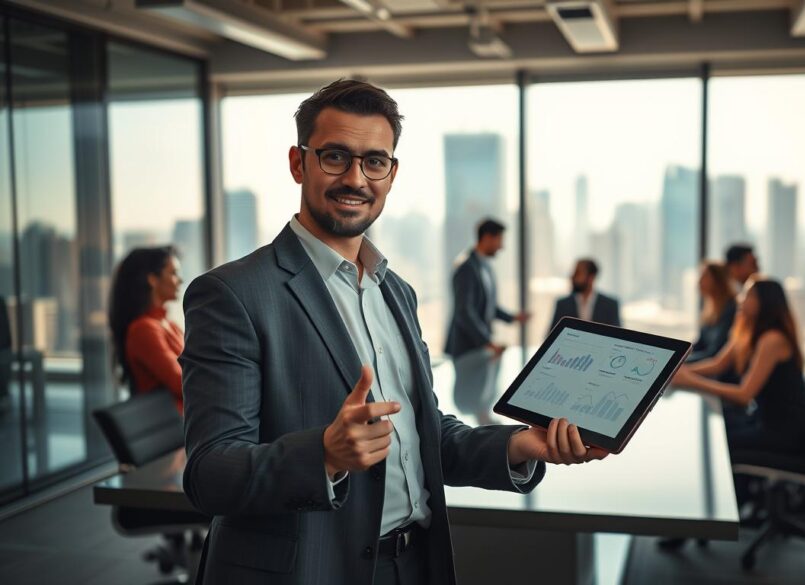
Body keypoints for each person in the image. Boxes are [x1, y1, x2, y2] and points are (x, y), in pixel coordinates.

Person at [180, 79, 609, 585]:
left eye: (374, 161)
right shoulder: (233, 293)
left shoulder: (395, 292)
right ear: (299, 163)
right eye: (335, 157)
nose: (356, 178)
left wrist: (520, 445)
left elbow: (425, 436)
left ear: (391, 172)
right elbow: (210, 474)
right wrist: (324, 454)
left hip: (414, 563)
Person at [671, 278, 805, 455]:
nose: (740, 299)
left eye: (748, 295)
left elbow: (744, 395)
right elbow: (718, 364)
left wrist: (691, 381)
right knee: (707, 430)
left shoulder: (773, 340)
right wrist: (676, 372)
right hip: (759, 417)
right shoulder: (748, 329)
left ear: (765, 302)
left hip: (782, 429)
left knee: (713, 442)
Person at [444, 218, 529, 425]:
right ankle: (476, 430)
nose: (502, 246)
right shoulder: (466, 267)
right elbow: (465, 312)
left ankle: (482, 421)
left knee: (483, 395)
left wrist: (512, 318)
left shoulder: (485, 267)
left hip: (479, 347)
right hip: (467, 349)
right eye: (500, 239)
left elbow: (489, 305)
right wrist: (487, 342)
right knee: (470, 400)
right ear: (488, 238)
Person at [108, 246, 185, 413]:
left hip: (188, 422)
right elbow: (182, 382)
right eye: (173, 273)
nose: (180, 280)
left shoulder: (168, 324)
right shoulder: (143, 329)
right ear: (152, 279)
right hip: (176, 428)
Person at [548, 258, 621, 331]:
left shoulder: (610, 305)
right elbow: (550, 335)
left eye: (578, 273)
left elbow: (617, 336)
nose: (572, 277)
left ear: (591, 277)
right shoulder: (562, 304)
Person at [686, 261, 737, 363]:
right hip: (705, 361)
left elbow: (715, 352)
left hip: (716, 369)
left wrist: (685, 362)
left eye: (705, 276)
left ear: (718, 280)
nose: (699, 281)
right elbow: (700, 344)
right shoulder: (708, 308)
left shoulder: (731, 310)